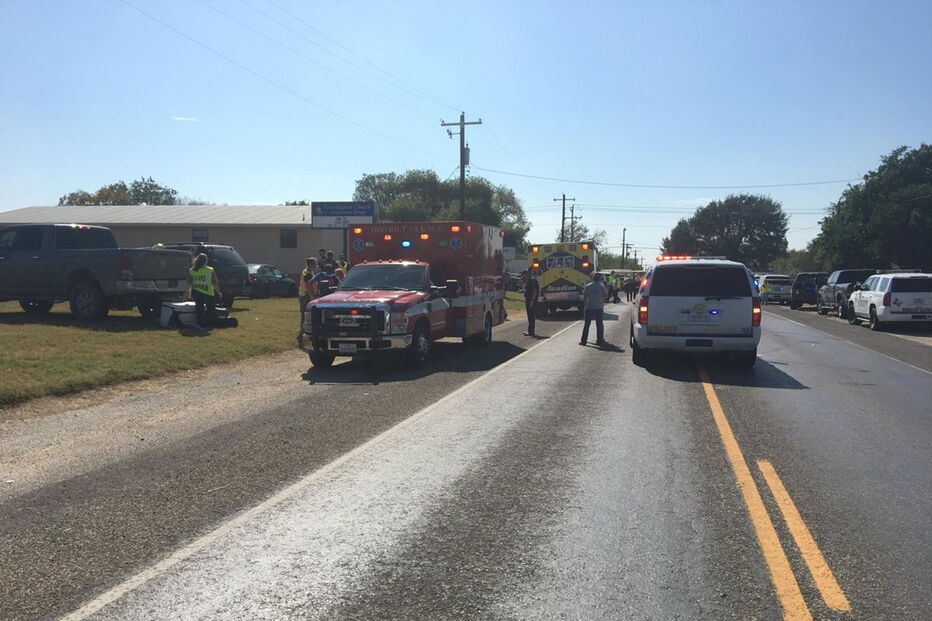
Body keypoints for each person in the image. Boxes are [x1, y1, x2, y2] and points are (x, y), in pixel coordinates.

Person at [189, 253, 222, 329]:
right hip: (208, 293)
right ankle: (210, 324)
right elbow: (214, 283)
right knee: (210, 310)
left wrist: (189, 292)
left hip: (196, 292)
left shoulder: (192, 270)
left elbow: (190, 283)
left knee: (199, 309)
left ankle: (201, 324)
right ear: (205, 261)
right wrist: (219, 292)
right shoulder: (210, 270)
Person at [580, 272, 608, 346]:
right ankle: (600, 340)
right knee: (599, 324)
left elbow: (585, 296)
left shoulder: (588, 286)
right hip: (599, 307)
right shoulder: (602, 286)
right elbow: (605, 296)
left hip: (590, 307)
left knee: (587, 324)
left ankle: (583, 341)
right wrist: (602, 299)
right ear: (599, 278)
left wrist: (585, 305)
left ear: (592, 278)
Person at [298, 257, 318, 327]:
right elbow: (308, 286)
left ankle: (304, 328)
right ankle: (302, 330)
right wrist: (312, 296)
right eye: (315, 264)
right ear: (311, 264)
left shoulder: (310, 272)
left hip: (306, 294)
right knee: (305, 313)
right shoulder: (307, 273)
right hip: (305, 295)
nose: (316, 266)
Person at [522, 269, 540, 337]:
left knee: (531, 316)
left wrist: (532, 301)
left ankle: (531, 332)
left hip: (531, 301)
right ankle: (530, 331)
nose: (523, 277)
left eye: (523, 276)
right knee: (530, 316)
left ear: (527, 275)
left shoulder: (532, 281)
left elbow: (535, 291)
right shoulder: (528, 281)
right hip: (528, 301)